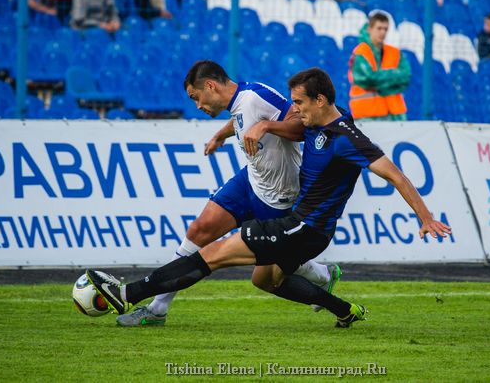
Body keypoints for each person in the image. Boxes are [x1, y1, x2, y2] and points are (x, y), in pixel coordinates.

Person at [88, 67, 450, 326]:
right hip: (300, 227)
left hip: (301, 226)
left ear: (320, 100)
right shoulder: (317, 123)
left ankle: (129, 294)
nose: (295, 110)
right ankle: (342, 309)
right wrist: (229, 132)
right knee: (263, 280)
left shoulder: (347, 139)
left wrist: (426, 217)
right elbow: (267, 120)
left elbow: (395, 174)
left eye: (299, 103)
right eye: (293, 103)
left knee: (212, 254)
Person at [113, 61, 342, 326]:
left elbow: (302, 126)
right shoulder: (239, 104)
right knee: (200, 229)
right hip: (250, 181)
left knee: (270, 271)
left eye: (196, 97)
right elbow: (242, 120)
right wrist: (222, 135)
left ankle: (323, 275)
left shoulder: (257, 96)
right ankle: (157, 309)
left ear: (210, 86)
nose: (197, 105)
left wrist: (266, 127)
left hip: (279, 196)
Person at [348, 11, 410, 120]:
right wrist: (393, 75)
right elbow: (367, 79)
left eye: (385, 29)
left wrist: (378, 78)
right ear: (369, 29)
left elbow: (405, 77)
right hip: (366, 115)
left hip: (394, 115)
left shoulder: (395, 52)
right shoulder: (361, 52)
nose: (383, 32)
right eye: (379, 28)